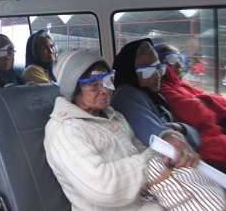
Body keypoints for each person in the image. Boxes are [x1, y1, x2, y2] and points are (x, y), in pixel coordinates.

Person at [43, 51, 225, 211]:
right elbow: (104, 187)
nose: (105, 89)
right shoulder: (65, 130)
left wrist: (171, 142)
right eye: (94, 84)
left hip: (147, 201)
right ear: (73, 88)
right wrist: (153, 157)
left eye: (108, 80)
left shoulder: (113, 116)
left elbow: (139, 148)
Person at [111, 38, 200, 157]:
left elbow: (187, 131)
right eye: (148, 70)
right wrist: (182, 130)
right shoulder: (126, 97)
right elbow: (164, 143)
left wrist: (180, 128)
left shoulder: (153, 95)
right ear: (130, 70)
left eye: (159, 67)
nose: (157, 75)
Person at [155, 43, 226, 172]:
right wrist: (211, 106)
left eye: (180, 58)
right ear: (160, 63)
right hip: (207, 145)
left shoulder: (183, 85)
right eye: (171, 59)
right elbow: (200, 116)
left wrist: (206, 99)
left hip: (217, 134)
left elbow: (222, 102)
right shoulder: (164, 88)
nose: (178, 63)